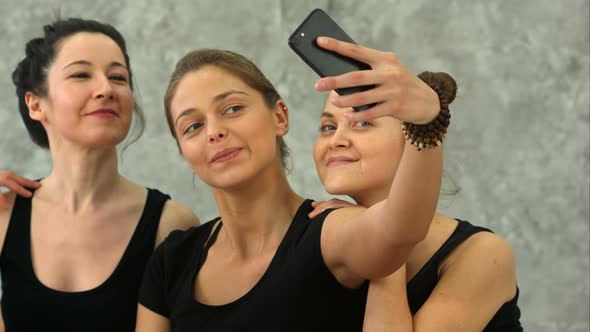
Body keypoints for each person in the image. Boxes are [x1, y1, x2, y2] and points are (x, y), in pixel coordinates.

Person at [135, 36, 444, 331]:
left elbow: (402, 229)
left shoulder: (329, 233)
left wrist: (427, 120)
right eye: (193, 126)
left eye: (232, 109)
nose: (213, 132)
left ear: (279, 117)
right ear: (183, 151)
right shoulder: (170, 262)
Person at [0, 18, 199, 332]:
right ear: (36, 104)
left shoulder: (171, 224)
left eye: (118, 77)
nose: (106, 89)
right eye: (81, 74)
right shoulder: (4, 215)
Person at [309, 73, 523, 330]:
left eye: (362, 123)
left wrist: (388, 246)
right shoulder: (324, 235)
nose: (336, 140)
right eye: (328, 127)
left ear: (410, 137)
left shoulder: (484, 254)